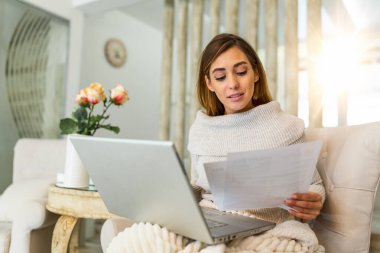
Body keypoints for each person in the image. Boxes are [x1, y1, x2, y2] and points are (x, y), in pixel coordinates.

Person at [107, 33, 325, 253]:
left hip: (267, 227)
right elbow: (198, 186)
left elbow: (313, 185)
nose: (233, 84)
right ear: (209, 83)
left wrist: (313, 200)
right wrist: (170, 194)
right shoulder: (201, 129)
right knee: (132, 241)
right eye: (220, 77)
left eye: (241, 72)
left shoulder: (285, 126)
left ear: (256, 73)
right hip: (208, 221)